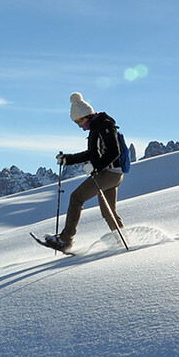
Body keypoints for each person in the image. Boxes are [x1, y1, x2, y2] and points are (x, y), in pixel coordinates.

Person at [43, 92, 125, 252]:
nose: (79, 125)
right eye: (76, 122)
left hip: (109, 173)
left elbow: (114, 151)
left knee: (76, 197)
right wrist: (67, 159)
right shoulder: (96, 127)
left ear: (87, 115)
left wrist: (96, 167)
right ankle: (123, 240)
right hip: (111, 173)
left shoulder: (104, 126)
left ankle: (65, 240)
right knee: (108, 212)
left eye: (79, 120)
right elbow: (91, 154)